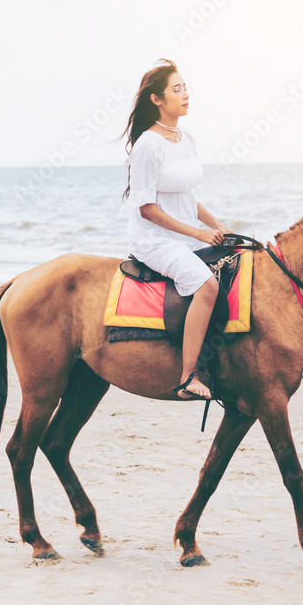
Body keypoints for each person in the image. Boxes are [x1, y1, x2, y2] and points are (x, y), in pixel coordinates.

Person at [120, 59, 231, 399]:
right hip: (156, 240)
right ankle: (188, 377)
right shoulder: (148, 145)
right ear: (157, 99)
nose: (185, 95)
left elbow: (187, 196)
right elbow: (146, 207)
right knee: (207, 286)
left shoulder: (186, 139)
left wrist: (216, 225)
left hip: (186, 236)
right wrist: (197, 234)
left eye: (186, 88)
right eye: (177, 89)